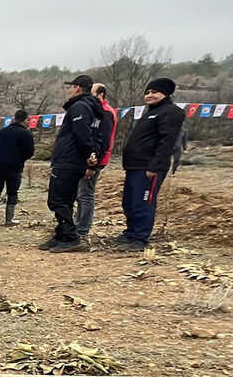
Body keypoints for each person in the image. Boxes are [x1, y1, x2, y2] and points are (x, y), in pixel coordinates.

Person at [116, 78, 185, 251]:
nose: (149, 95)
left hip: (149, 167)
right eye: (147, 92)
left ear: (165, 93)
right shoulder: (150, 112)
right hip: (134, 165)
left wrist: (155, 166)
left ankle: (140, 238)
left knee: (143, 202)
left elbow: (166, 141)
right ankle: (131, 232)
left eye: (154, 92)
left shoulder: (171, 112)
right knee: (130, 202)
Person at [40, 75, 104, 253]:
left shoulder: (79, 107)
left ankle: (70, 237)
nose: (69, 91)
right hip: (76, 160)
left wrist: (89, 157)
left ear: (77, 88)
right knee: (66, 199)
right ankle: (61, 234)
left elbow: (83, 134)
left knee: (57, 199)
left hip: (69, 160)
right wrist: (91, 157)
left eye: (71, 87)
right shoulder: (93, 108)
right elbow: (96, 136)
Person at [74, 83, 119, 245]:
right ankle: (77, 225)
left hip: (96, 161)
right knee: (81, 194)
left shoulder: (105, 113)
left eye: (91, 93)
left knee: (86, 195)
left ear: (100, 94)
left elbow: (103, 140)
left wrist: (93, 165)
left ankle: (82, 231)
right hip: (89, 159)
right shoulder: (95, 111)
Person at [0, 110, 35, 226]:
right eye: (28, 120)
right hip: (14, 167)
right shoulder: (26, 134)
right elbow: (30, 152)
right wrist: (20, 159)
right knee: (12, 192)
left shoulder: (0, 132)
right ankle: (9, 220)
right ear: (25, 120)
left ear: (14, 118)